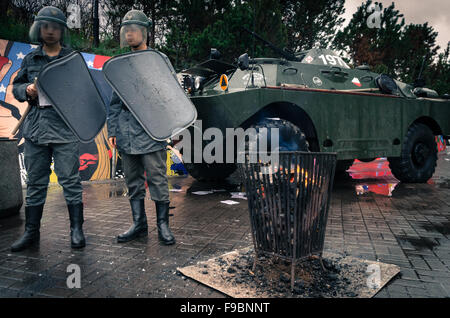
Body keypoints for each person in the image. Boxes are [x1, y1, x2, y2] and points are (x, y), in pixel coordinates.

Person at [11, 6, 85, 251]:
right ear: (39, 29)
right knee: (36, 183)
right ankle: (31, 233)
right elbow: (17, 87)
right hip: (36, 130)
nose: (50, 31)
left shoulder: (71, 58)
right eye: (46, 26)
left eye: (55, 27)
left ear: (62, 31)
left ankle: (76, 230)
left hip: (64, 130)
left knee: (70, 181)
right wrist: (27, 91)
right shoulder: (32, 59)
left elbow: (83, 92)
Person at [107, 10, 175, 245]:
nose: (129, 34)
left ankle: (163, 226)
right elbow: (114, 103)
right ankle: (139, 224)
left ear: (144, 32)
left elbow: (171, 96)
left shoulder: (158, 59)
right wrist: (113, 131)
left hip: (150, 129)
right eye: (126, 30)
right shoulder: (121, 63)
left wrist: (169, 127)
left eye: (133, 30)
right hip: (126, 132)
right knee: (133, 181)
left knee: (157, 178)